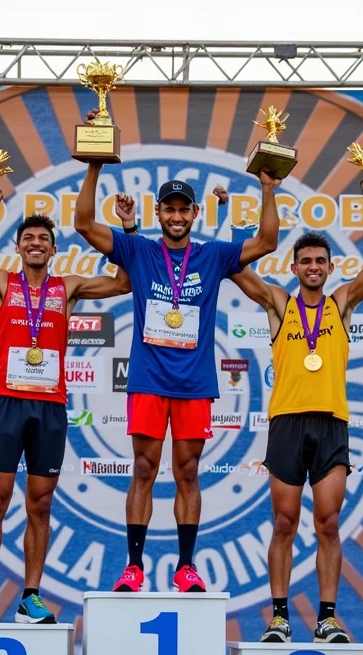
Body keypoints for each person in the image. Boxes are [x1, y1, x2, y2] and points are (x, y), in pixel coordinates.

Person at [73, 160, 281, 594]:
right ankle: (133, 567)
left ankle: (186, 568)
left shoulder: (213, 256)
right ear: (159, 213)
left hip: (194, 384)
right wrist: (94, 165)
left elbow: (267, 241)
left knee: (188, 472)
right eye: (169, 209)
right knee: (144, 468)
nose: (177, 216)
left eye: (184, 209)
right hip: (149, 380)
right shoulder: (139, 250)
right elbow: (82, 223)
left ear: (194, 214)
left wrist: (267, 188)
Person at [0, 210, 131, 621]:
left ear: (54, 248)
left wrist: (126, 230)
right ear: (19, 246)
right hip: (6, 401)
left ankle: (30, 596)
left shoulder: (69, 288)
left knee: (40, 504)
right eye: (29, 238)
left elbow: (123, 282)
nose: (36, 243)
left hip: (50, 407)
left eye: (43, 237)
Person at [227, 187, 363, 640]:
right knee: (284, 522)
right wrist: (258, 197)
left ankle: (326, 618)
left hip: (331, 424)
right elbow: (234, 268)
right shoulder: (280, 304)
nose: (314, 267)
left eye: (321, 261)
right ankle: (279, 616)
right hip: (286, 423)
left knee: (329, 522)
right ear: (294, 267)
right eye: (306, 262)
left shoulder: (342, 304)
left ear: (329, 267)